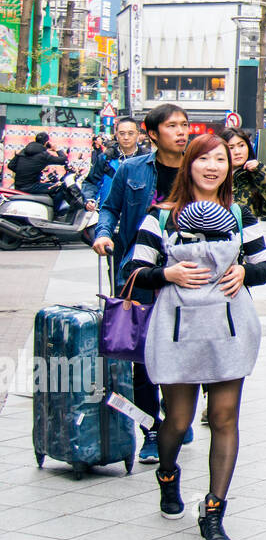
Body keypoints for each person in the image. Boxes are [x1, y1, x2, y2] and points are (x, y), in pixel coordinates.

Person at [121, 132, 266, 540]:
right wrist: (166, 274)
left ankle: (213, 511)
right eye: (203, 159)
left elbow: (265, 267)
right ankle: (168, 475)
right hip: (178, 333)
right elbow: (134, 270)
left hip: (229, 331)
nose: (212, 166)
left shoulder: (241, 215)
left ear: (229, 166)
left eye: (220, 159)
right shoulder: (163, 215)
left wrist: (246, 273)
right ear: (188, 165)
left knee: (225, 419)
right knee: (179, 421)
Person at [92, 103, 190, 464]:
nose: (181, 132)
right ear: (153, 133)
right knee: (143, 356)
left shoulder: (200, 168)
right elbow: (110, 208)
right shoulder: (133, 169)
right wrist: (103, 235)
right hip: (142, 274)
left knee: (182, 349)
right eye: (172, 126)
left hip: (187, 278)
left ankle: (178, 412)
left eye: (184, 125)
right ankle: (151, 428)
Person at [221, 128, 266, 219]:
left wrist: (260, 171)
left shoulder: (255, 177)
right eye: (231, 148)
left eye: (241, 145)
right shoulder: (216, 178)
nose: (237, 152)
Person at [83, 118, 146, 207]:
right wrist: (89, 199)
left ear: (138, 135)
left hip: (138, 215)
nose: (126, 137)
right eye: (122, 133)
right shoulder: (106, 158)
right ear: (116, 135)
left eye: (130, 133)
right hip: (108, 213)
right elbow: (91, 182)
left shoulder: (148, 160)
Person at [7, 132, 69, 206]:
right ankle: (55, 213)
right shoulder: (44, 155)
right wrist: (57, 149)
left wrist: (26, 171)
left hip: (18, 186)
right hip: (31, 187)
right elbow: (64, 161)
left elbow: (11, 165)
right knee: (62, 187)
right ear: (47, 143)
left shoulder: (24, 151)